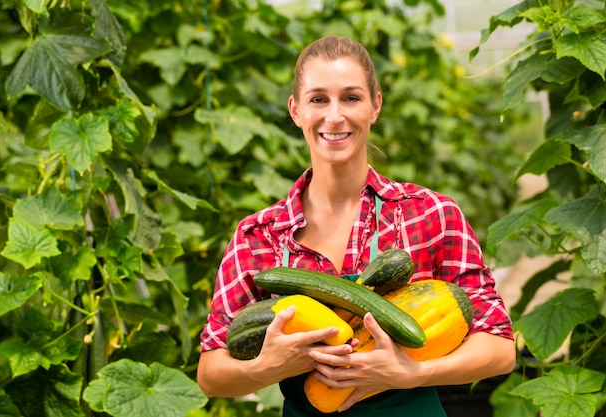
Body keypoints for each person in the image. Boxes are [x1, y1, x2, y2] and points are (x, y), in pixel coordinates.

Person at [197, 35, 515, 416]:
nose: (334, 116)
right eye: (318, 99)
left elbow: (499, 347)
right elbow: (211, 373)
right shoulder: (260, 236)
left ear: (375, 106)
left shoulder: (429, 214)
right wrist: (271, 366)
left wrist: (413, 372)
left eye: (351, 98)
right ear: (296, 110)